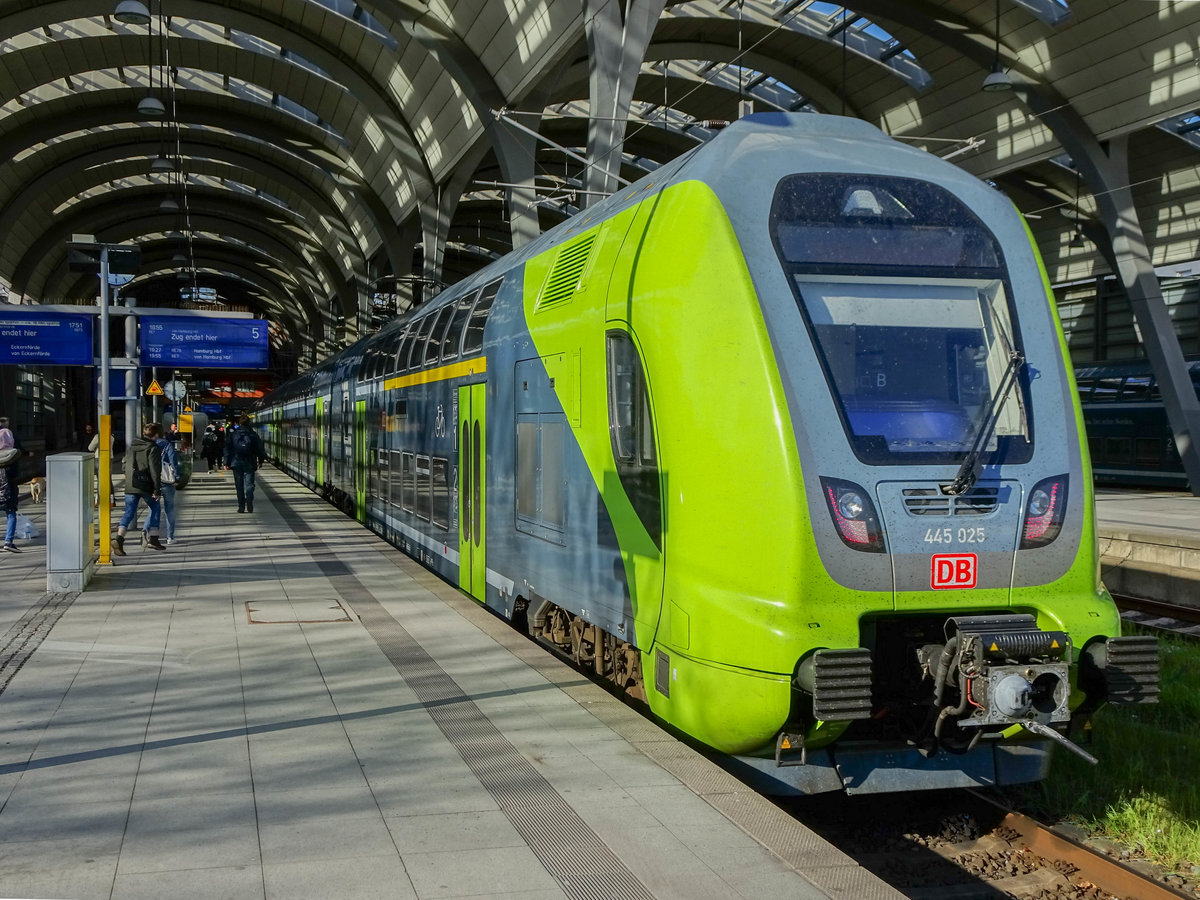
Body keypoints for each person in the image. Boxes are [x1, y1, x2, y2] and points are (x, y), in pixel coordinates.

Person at [112, 422, 166, 556]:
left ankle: (119, 538)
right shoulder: (153, 448)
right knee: (155, 508)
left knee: (129, 512)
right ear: (157, 434)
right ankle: (153, 538)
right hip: (145, 485)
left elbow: (124, 465)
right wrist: (157, 489)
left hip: (131, 484)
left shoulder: (132, 446)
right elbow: (155, 470)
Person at [224, 416, 267, 513]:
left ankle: (241, 507)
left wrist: (226, 462)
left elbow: (227, 449)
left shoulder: (233, 434)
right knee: (249, 484)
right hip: (249, 462)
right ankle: (249, 501)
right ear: (249, 423)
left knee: (239, 485)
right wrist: (260, 461)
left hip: (236, 462)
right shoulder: (253, 435)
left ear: (239, 423)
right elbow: (260, 449)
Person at [155, 428, 182, 545]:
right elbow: (173, 462)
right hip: (167, 481)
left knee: (153, 510)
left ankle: (147, 535)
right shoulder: (167, 445)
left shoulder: (149, 445)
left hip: (154, 481)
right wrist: (177, 477)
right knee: (169, 509)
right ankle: (170, 537)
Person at [0, 428, 21, 552]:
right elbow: (16, 474)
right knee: (11, 514)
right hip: (9, 490)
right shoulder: (13, 454)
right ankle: (8, 541)